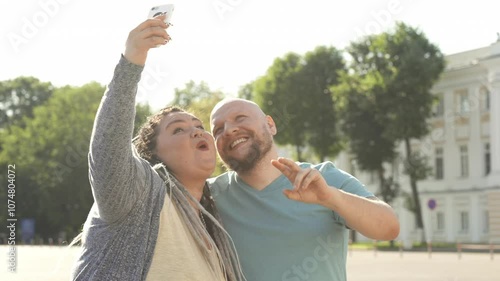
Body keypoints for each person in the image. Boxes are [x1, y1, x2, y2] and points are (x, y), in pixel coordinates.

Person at [70, 16, 245, 281]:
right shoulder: (139, 196)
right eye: (178, 129)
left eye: (198, 125)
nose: (197, 130)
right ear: (152, 156)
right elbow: (108, 150)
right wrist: (133, 59)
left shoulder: (215, 225)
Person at [209, 98, 400, 281]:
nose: (228, 130)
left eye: (240, 118)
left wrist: (330, 197)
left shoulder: (324, 178)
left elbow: (389, 228)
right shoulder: (208, 197)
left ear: (270, 125)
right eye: (217, 129)